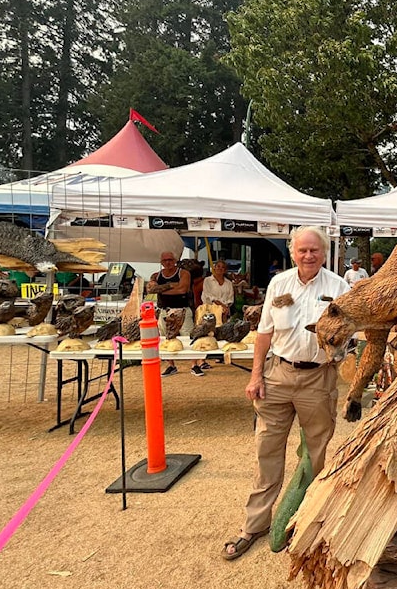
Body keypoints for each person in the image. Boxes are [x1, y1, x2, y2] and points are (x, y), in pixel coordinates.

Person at [221, 225, 350, 561]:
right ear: (292, 252)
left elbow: (351, 332)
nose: (308, 256)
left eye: (314, 250)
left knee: (316, 456)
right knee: (267, 451)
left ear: (324, 252)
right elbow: (264, 333)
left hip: (318, 379)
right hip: (277, 375)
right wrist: (256, 375)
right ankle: (255, 525)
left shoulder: (339, 287)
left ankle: (306, 522)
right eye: (302, 250)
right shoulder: (279, 283)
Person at [146, 251, 197, 377]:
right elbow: (151, 289)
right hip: (165, 310)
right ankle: (171, 365)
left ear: (175, 260)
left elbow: (183, 289)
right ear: (161, 262)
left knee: (189, 336)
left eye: (170, 260)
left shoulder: (183, 273)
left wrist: (162, 289)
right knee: (165, 337)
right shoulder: (156, 275)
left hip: (182, 309)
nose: (168, 263)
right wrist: (171, 285)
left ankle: (194, 364)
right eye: (165, 260)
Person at [199, 259, 235, 371]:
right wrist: (221, 305)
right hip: (209, 309)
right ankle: (202, 360)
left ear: (225, 270)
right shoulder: (208, 280)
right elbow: (208, 295)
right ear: (214, 268)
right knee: (206, 332)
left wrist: (226, 307)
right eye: (217, 266)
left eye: (222, 267)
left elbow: (230, 297)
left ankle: (220, 355)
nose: (219, 269)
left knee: (222, 331)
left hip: (223, 310)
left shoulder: (228, 283)